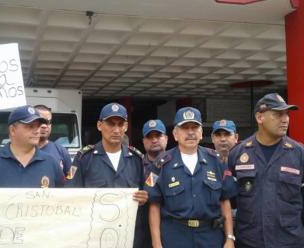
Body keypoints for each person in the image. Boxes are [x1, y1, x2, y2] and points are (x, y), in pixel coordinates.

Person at [146, 107, 236, 248]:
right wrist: (156, 243)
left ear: (201, 133)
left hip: (210, 236)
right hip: (175, 236)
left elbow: (225, 201)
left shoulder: (216, 161)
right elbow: (154, 205)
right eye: (185, 128)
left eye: (194, 127)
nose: (190, 132)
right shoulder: (160, 163)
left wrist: (230, 238)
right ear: (175, 134)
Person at [65, 102, 148, 248]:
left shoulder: (137, 158)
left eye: (120, 124)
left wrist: (144, 197)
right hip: (95, 236)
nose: (116, 130)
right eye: (110, 124)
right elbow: (72, 194)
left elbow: (147, 192)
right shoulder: (84, 158)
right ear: (99, 125)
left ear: (126, 127)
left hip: (129, 236)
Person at [228, 93, 304, 248]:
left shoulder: (299, 154)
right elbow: (229, 200)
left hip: (289, 242)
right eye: (278, 114)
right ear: (259, 118)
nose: (285, 119)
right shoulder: (238, 154)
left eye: (286, 114)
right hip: (250, 242)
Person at [141, 119, 168, 248]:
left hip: (172, 227)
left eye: (158, 135)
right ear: (143, 141)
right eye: (149, 137)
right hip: (142, 229)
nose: (154, 140)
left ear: (166, 138)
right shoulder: (135, 164)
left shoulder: (177, 162)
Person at [34, 104, 71, 175]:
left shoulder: (62, 152)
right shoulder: (21, 151)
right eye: (40, 121)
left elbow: (70, 180)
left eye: (47, 122)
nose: (44, 126)